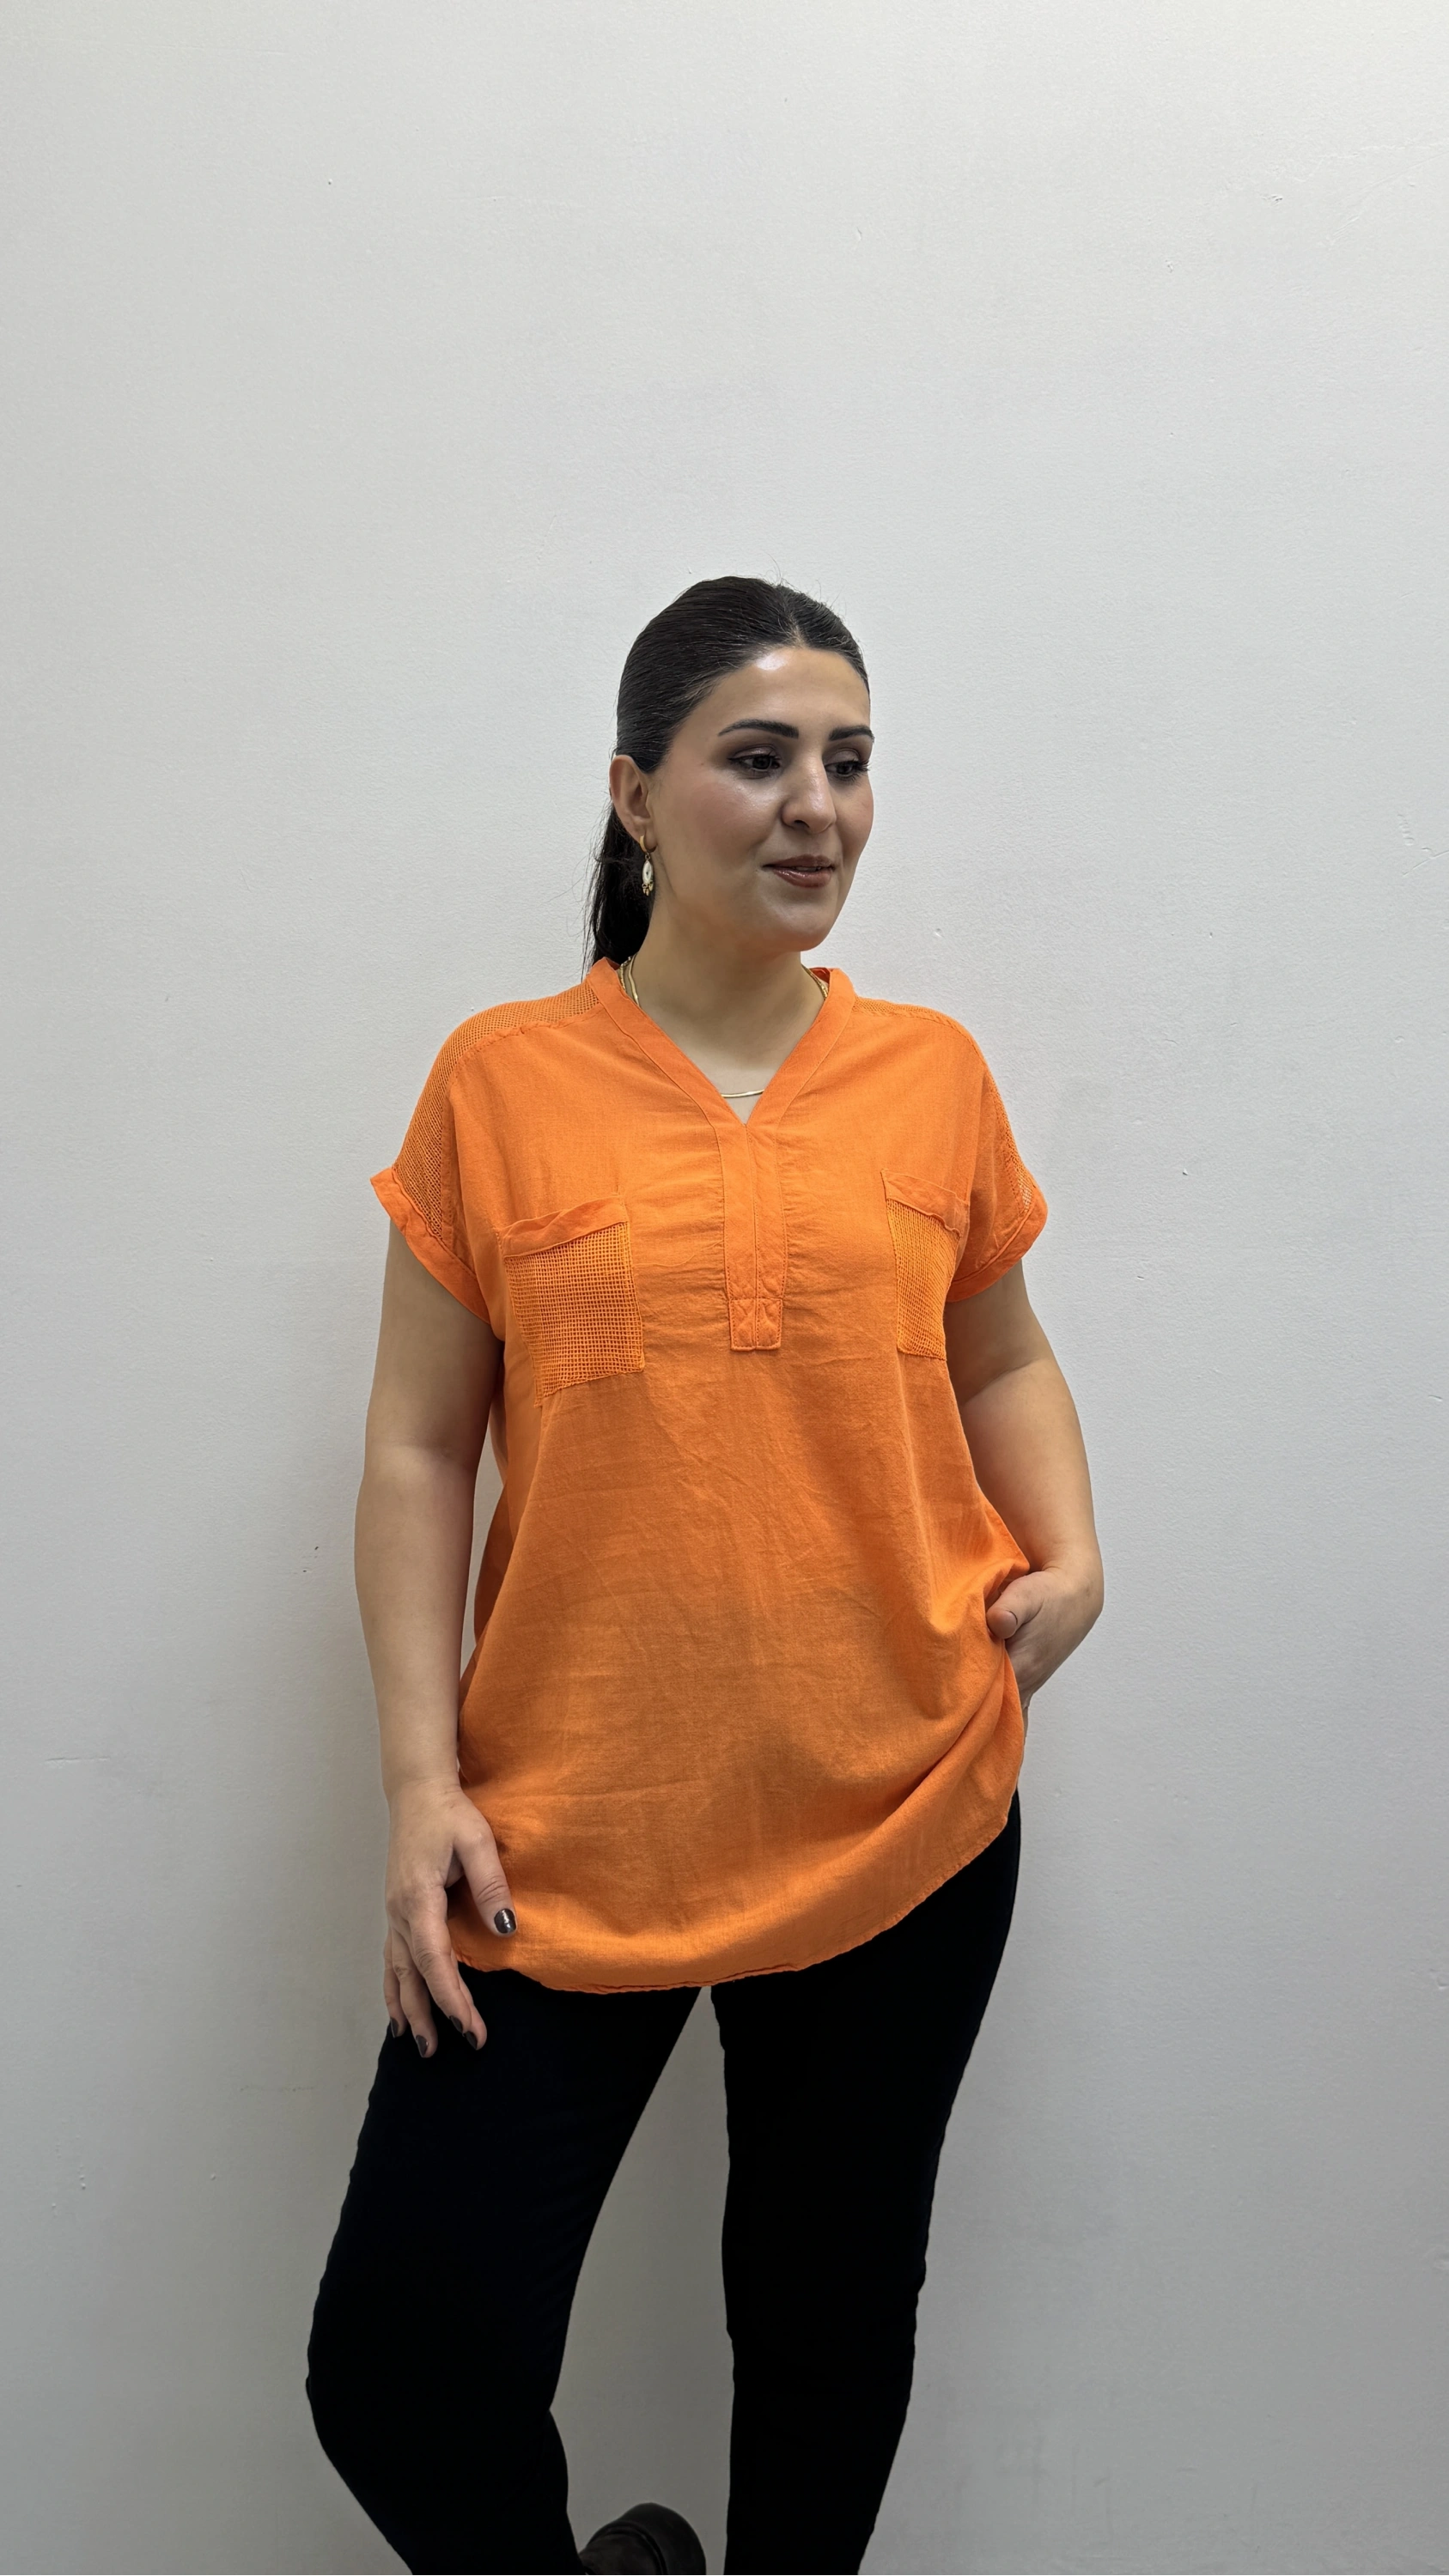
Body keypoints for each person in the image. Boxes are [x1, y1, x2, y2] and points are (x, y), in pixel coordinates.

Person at [307, 576, 1104, 2576]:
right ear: (634, 796)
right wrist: (419, 1784)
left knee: (826, 2333)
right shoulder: (500, 1080)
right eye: (760, 757)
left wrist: (1076, 1554)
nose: (818, 804)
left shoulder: (931, 1075)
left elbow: (998, 1351)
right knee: (401, 2362)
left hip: (897, 1796)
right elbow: (418, 1448)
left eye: (850, 761)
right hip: (566, 1825)